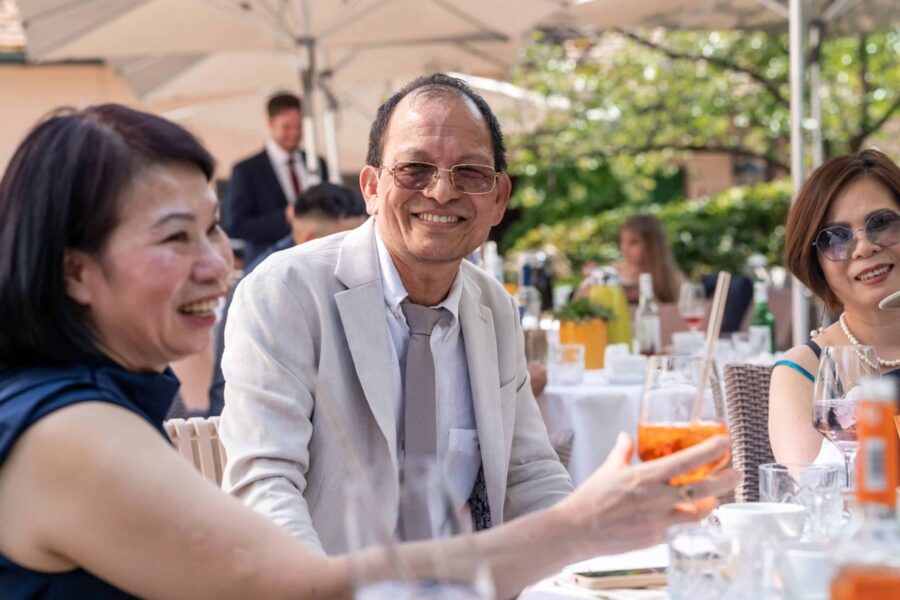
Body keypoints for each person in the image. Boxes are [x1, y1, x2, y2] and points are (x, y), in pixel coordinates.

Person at [0, 104, 737, 597]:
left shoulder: (88, 412)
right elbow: (294, 586)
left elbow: (527, 470)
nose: (218, 264)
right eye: (174, 237)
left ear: (498, 198)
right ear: (75, 269)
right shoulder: (70, 436)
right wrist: (583, 527)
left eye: (214, 229)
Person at [769, 149, 900, 465]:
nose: (865, 247)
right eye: (836, 238)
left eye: (881, 223)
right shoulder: (803, 372)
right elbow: (814, 497)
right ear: (816, 264)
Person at [205, 182, 367, 416]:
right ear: (310, 239)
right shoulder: (265, 286)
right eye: (343, 242)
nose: (357, 251)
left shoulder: (342, 273)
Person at [225, 92, 329, 262]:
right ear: (270, 124)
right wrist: (285, 216)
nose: (294, 133)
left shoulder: (317, 163)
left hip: (316, 258)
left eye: (299, 126)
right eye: (287, 127)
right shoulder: (246, 170)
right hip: (268, 262)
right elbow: (237, 226)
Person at [615, 214, 683, 303]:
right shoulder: (616, 274)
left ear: (652, 246)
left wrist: (645, 295)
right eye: (623, 241)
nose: (625, 247)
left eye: (633, 242)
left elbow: (682, 308)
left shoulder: (671, 278)